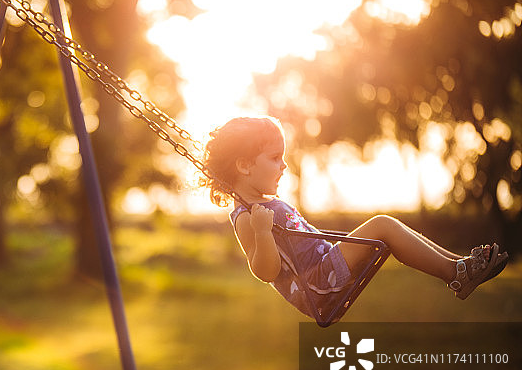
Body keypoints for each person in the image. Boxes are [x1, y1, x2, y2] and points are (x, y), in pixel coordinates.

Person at [200, 116, 508, 320]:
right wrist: (262, 232)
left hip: (325, 268)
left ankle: (458, 267)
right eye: (274, 158)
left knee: (385, 227)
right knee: (383, 225)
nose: (283, 165)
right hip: (317, 285)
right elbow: (265, 271)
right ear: (244, 166)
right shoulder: (245, 216)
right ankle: (456, 272)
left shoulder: (266, 204)